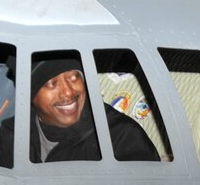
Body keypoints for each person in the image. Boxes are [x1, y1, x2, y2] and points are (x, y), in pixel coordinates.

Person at [28, 58, 160, 163]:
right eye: (52, 84)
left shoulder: (121, 138)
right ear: (32, 96)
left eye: (74, 77)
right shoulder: (14, 134)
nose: (68, 92)